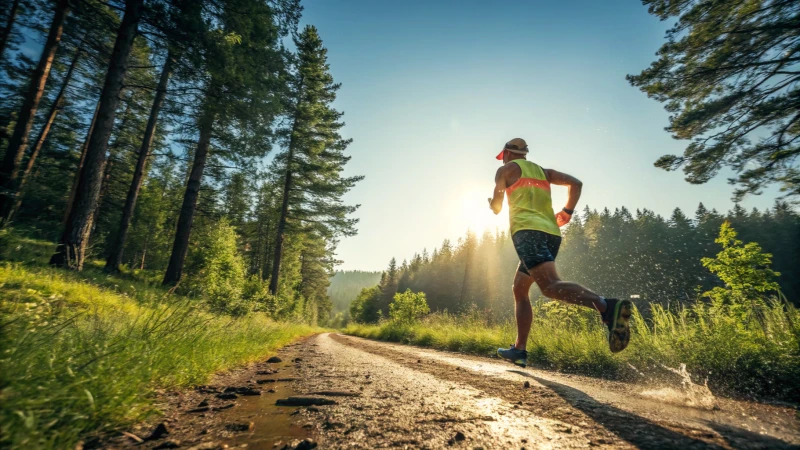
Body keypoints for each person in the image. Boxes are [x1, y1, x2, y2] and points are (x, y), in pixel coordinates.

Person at [489, 138, 632, 368]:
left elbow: (497, 207)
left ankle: (607, 306)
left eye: (503, 155)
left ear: (506, 154)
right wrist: (567, 211)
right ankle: (519, 350)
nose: (503, 159)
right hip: (551, 234)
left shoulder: (504, 170)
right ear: (524, 154)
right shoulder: (544, 172)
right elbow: (576, 183)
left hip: (528, 232)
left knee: (550, 287)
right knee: (520, 288)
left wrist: (492, 203)